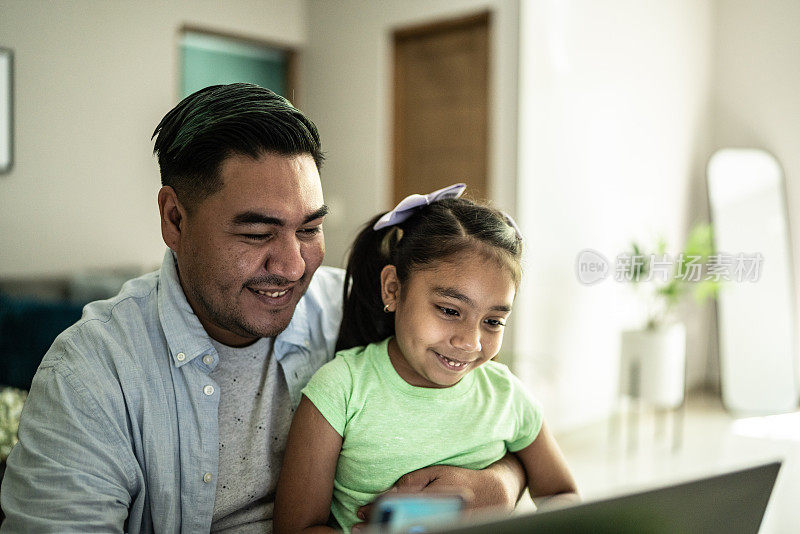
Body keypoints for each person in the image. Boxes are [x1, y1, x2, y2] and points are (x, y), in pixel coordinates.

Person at [0, 85, 526, 533]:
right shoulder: (91, 374)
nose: (295, 265)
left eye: (310, 229)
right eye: (256, 233)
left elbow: (490, 409)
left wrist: (497, 484)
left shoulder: (354, 308)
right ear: (174, 219)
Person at [274, 185, 579, 533]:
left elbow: (563, 494)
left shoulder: (506, 395)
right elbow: (295, 528)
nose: (470, 341)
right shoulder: (341, 389)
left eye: (493, 321)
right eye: (449, 310)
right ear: (393, 288)